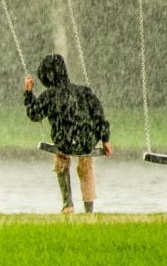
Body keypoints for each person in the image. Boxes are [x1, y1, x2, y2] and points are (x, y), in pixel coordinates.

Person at [23, 54, 112, 214]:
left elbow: (34, 114)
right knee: (86, 165)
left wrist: (29, 93)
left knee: (61, 159)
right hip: (86, 142)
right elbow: (99, 114)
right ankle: (89, 209)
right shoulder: (84, 92)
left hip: (64, 141)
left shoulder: (50, 96)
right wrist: (105, 139)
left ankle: (67, 204)